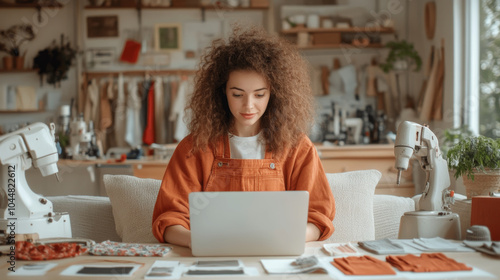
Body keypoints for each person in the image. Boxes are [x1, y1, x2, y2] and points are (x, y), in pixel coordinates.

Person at [152, 26, 335, 248]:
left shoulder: (297, 147)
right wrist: (201, 242)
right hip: (212, 254)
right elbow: (169, 218)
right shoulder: (195, 147)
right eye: (237, 94)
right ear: (222, 93)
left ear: (274, 94)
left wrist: (284, 238)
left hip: (275, 252)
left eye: (259, 94)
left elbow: (319, 217)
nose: (248, 105)